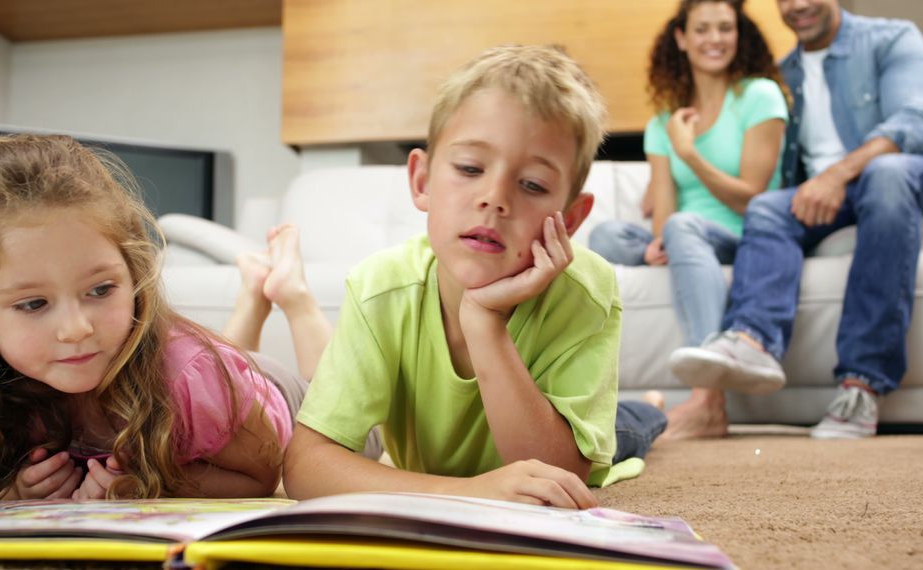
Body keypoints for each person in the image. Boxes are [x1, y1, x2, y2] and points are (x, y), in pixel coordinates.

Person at [281, 45, 667, 510]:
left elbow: (558, 477)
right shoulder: (380, 287)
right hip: (480, 465)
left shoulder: (585, 290)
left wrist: (483, 320)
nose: (494, 198)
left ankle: (656, 409)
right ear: (422, 181)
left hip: (569, 427)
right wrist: (466, 492)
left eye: (532, 185)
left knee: (632, 427)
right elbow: (305, 466)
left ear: (572, 215)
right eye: (469, 169)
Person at [0, 134, 376, 505]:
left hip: (264, 396)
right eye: (33, 305)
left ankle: (293, 296)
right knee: (204, 382)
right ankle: (253, 299)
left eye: (101, 290)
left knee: (351, 429)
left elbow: (262, 477)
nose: (76, 329)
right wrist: (15, 492)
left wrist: (147, 486)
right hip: (214, 382)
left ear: (135, 273)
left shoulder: (191, 375)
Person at [668, 0, 923, 439]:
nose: (798, 4)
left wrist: (838, 174)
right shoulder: (785, 74)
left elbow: (913, 123)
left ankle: (862, 384)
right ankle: (753, 341)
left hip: (907, 175)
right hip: (830, 198)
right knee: (768, 207)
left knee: (885, 174)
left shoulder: (892, 38)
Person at [587, 0, 789, 440]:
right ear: (681, 38)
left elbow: (754, 198)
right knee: (604, 234)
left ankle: (707, 399)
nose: (714, 39)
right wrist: (661, 240)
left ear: (739, 34)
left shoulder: (760, 96)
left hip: (746, 235)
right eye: (702, 29)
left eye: (724, 28)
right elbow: (665, 204)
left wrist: (689, 153)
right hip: (685, 236)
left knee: (683, 226)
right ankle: (671, 252)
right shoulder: (663, 123)